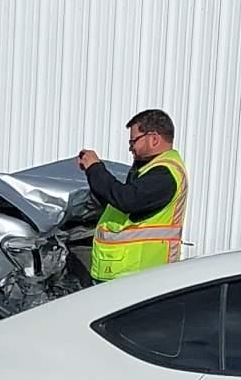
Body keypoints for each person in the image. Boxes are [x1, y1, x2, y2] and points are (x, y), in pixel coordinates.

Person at [75, 110, 187, 281]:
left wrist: (95, 168)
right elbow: (118, 204)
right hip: (129, 272)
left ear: (154, 138)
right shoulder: (148, 169)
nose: (130, 147)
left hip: (141, 273)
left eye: (133, 140)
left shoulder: (164, 174)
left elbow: (126, 200)